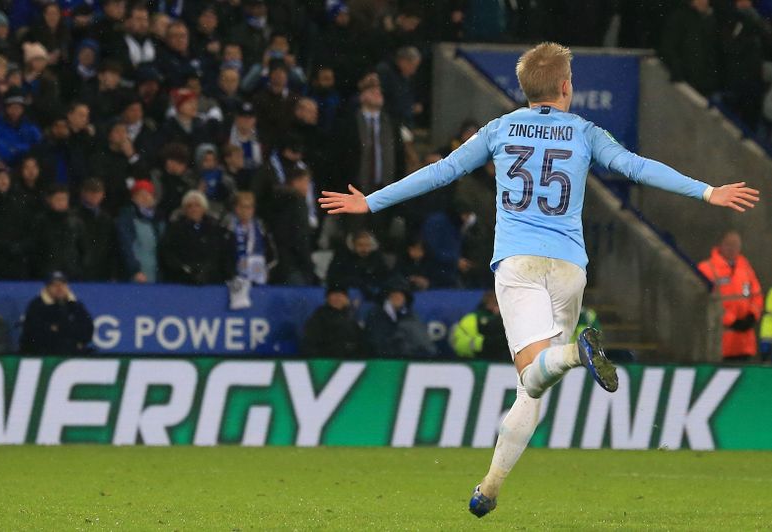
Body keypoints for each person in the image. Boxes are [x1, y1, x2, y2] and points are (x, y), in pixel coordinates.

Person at [318, 42, 759, 517]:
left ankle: (575, 353)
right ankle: (489, 487)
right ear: (567, 86)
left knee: (535, 372)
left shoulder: (501, 128)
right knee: (531, 388)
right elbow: (636, 167)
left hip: (519, 264)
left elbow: (441, 172)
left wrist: (372, 201)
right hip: (569, 269)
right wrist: (707, 190)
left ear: (524, 88)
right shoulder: (586, 132)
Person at [697, 230, 763, 362]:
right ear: (720, 245)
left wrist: (752, 315)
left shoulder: (745, 267)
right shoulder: (706, 268)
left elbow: (756, 294)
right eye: (729, 245)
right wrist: (731, 320)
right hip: (718, 341)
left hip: (745, 342)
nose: (732, 249)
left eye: (736, 245)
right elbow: (706, 302)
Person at [159, 190, 234, 285]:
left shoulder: (216, 230)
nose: (193, 209)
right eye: (189, 206)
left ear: (204, 208)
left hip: (211, 281)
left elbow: (220, 255)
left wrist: (207, 271)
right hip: (181, 281)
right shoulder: (174, 229)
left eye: (197, 205)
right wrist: (184, 269)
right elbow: (168, 253)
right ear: (184, 209)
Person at [19, 271, 94, 354]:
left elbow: (87, 332)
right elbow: (38, 336)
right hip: (43, 356)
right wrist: (69, 331)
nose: (59, 288)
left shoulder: (75, 305)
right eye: (54, 285)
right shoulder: (37, 306)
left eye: (62, 284)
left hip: (72, 354)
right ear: (47, 288)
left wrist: (58, 328)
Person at [363, 276, 437, 358]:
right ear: (387, 296)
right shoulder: (376, 315)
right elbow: (376, 343)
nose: (398, 297)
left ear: (405, 297)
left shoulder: (411, 316)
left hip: (411, 360)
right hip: (383, 361)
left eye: (401, 294)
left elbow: (425, 344)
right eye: (394, 294)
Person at [301, 283, 367, 358]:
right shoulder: (319, 316)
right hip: (326, 361)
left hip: (351, 363)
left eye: (341, 295)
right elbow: (310, 343)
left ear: (347, 299)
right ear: (327, 298)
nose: (338, 298)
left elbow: (360, 343)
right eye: (334, 295)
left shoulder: (353, 317)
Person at [117, 179, 163, 283]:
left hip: (155, 275)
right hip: (136, 276)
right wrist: (135, 270)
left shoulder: (159, 220)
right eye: (141, 195)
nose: (145, 198)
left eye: (148, 194)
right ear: (133, 198)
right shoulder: (127, 218)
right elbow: (126, 245)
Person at [450, 291, 509, 360]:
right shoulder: (482, 317)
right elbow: (494, 331)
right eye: (496, 303)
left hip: (467, 349)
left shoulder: (474, 315)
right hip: (476, 349)